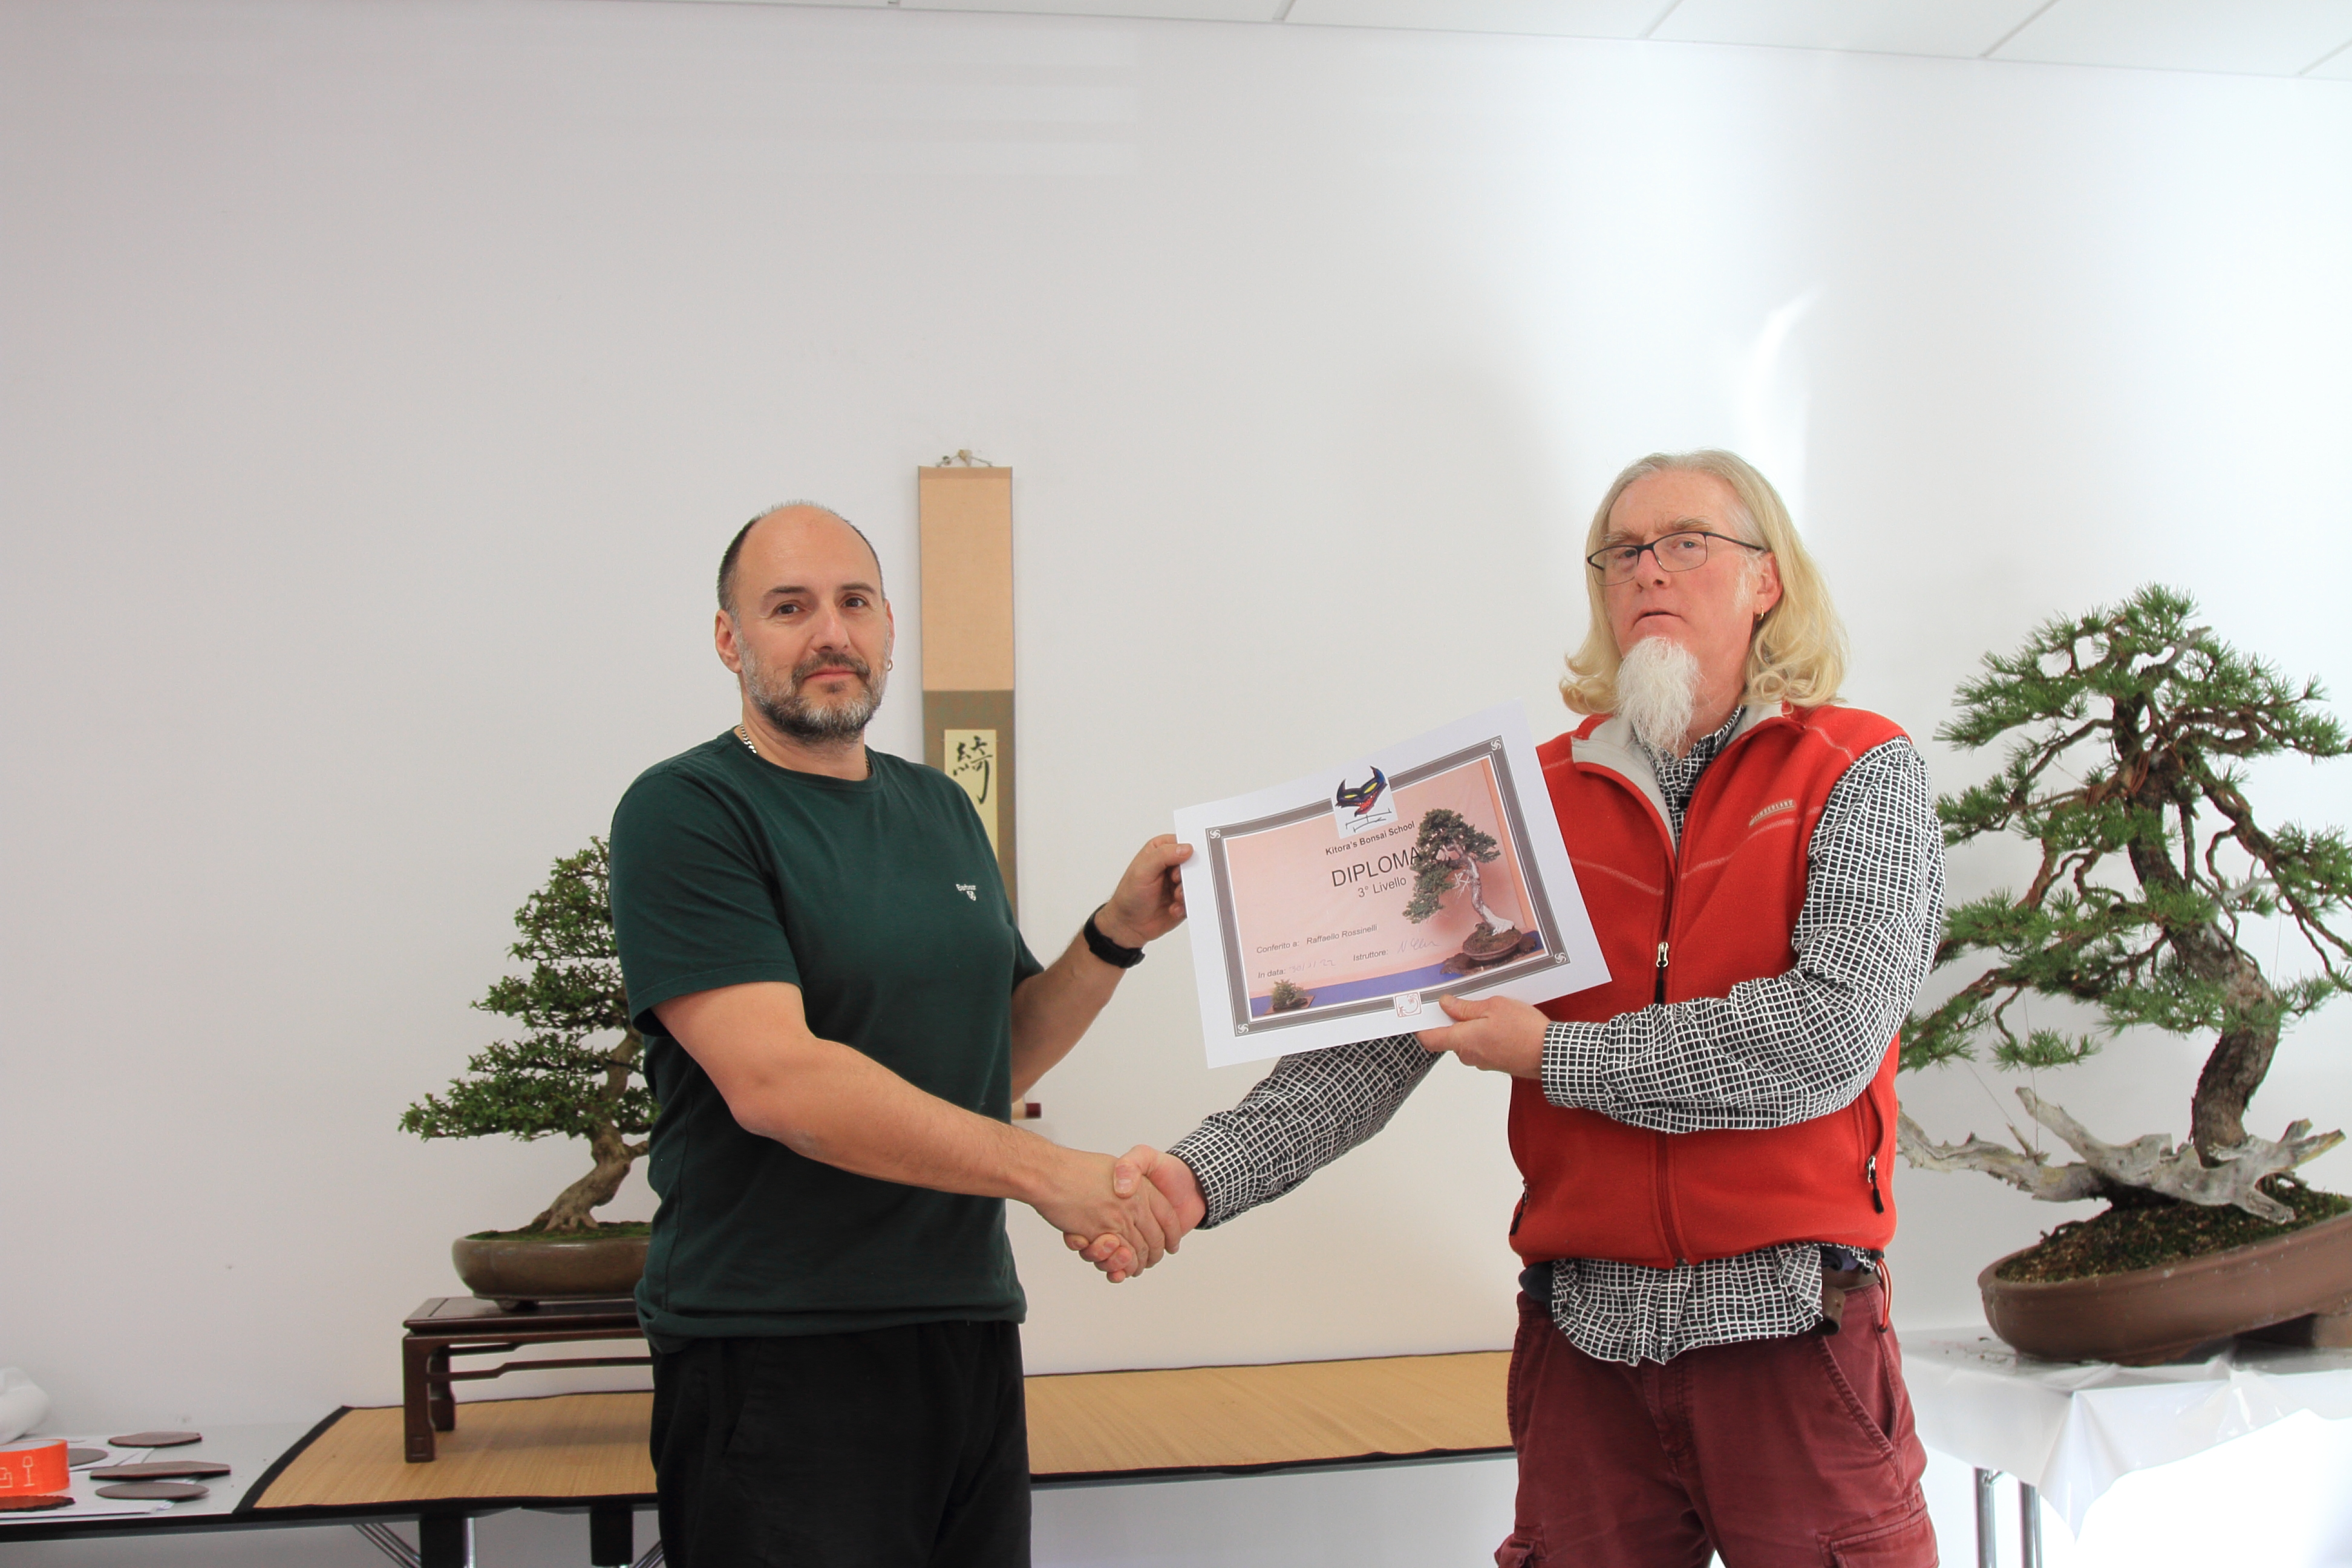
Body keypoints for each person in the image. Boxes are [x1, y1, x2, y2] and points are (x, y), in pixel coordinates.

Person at [1082, 451, 1945, 1567]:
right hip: (1583, 1343)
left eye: (1687, 543)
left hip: (1793, 1329)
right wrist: (1198, 1180)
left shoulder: (1861, 768)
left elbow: (1825, 1039)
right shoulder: (1519, 801)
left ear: (1765, 579)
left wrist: (1556, 1056)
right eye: (1621, 553)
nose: (1649, 571)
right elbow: (1377, 1050)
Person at [609, 501, 1189, 1568]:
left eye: (854, 602)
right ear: (730, 639)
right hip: (777, 1349)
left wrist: (1115, 935)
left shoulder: (940, 809)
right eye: (790, 608)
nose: (831, 632)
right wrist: (1048, 1174)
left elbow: (994, 1055)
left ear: (887, 628)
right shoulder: (687, 810)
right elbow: (778, 1083)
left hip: (966, 1326)